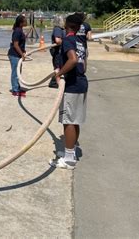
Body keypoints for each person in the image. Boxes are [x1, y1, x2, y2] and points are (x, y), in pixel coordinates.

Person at [50, 14, 88, 170]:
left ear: (67, 25)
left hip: (72, 85)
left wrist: (59, 74)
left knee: (68, 121)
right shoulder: (80, 41)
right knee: (75, 120)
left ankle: (69, 159)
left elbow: (72, 60)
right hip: (81, 82)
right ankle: (69, 152)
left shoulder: (68, 40)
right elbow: (83, 64)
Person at [7, 15, 27, 97]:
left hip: (18, 55)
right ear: (21, 23)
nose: (26, 22)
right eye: (25, 21)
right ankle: (15, 90)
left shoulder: (20, 30)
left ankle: (17, 87)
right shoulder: (17, 31)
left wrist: (24, 51)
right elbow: (15, 45)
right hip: (14, 55)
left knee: (18, 72)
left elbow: (21, 44)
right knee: (15, 72)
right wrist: (22, 54)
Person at [48, 15, 65, 88]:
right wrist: (66, 41)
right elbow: (57, 40)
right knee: (58, 68)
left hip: (59, 52)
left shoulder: (60, 29)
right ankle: (55, 83)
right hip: (57, 52)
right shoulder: (58, 29)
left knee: (59, 67)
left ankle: (55, 82)